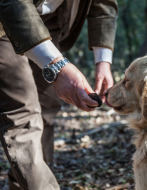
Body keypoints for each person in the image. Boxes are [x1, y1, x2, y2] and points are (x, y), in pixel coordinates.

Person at [0, 0, 118, 189]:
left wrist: (103, 60)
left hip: (50, 23)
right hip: (4, 19)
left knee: (46, 109)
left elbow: (103, 3)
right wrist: (58, 67)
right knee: (23, 115)